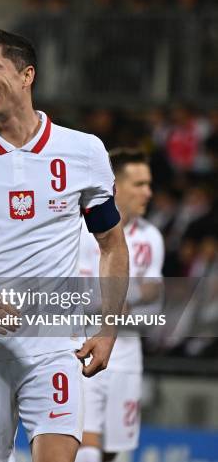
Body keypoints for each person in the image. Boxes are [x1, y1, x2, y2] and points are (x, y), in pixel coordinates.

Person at [0, 29, 129, 462]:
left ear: (26, 75)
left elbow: (111, 243)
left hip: (55, 347)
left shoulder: (84, 152)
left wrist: (108, 328)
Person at [76, 148, 164, 462]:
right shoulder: (81, 230)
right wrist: (108, 301)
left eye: (149, 184)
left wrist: (126, 297)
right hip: (84, 341)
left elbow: (154, 289)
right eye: (139, 184)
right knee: (85, 439)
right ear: (115, 186)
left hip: (127, 350)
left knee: (113, 448)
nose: (148, 192)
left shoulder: (151, 236)